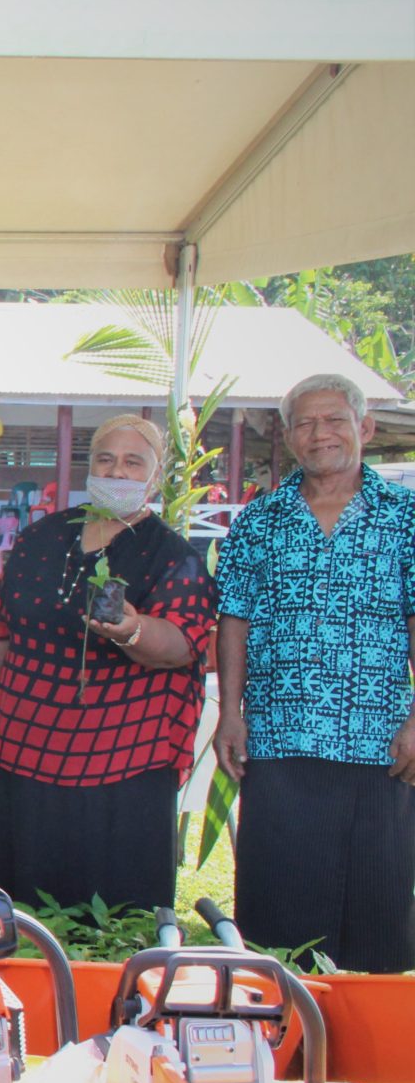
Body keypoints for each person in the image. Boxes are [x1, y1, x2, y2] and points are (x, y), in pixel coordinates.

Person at [0, 415, 214, 914]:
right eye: (105, 459)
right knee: (28, 909)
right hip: (27, 755)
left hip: (126, 764)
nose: (117, 471)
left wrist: (132, 630)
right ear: (89, 466)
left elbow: (184, 645)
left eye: (133, 462)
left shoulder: (172, 557)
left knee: (115, 913)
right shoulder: (41, 539)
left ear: (154, 477)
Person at [212, 374, 415, 970]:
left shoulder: (405, 516)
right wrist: (229, 713)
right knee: (278, 906)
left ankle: (365, 1046)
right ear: (289, 438)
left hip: (378, 740)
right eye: (304, 423)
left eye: (333, 420)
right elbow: (235, 619)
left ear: (365, 428)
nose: (319, 433)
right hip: (279, 733)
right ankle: (283, 1032)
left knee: (376, 910)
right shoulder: (260, 520)